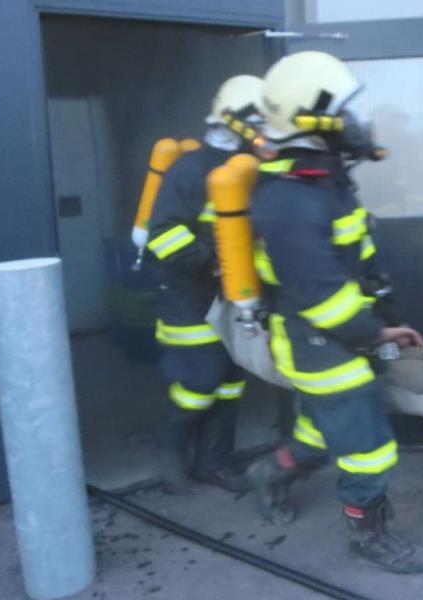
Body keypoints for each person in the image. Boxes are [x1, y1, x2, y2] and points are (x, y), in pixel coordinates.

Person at [245, 51, 423, 574]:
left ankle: (271, 473)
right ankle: (369, 535)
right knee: (368, 448)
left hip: (330, 336)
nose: (356, 121)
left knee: (319, 428)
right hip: (319, 341)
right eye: (344, 111)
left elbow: (351, 255)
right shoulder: (291, 200)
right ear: (312, 119)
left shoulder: (320, 182)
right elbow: (322, 295)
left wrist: (380, 303)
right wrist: (377, 332)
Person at [146, 75, 264, 493]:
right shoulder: (190, 169)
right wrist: (212, 260)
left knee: (231, 380)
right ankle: (167, 447)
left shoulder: (253, 168)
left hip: (235, 296)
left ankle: (215, 462)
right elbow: (162, 234)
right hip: (188, 298)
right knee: (200, 383)